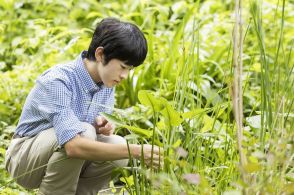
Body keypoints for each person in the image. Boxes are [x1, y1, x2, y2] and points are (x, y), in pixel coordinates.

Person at [5, 18, 162, 195]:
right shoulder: (58, 80)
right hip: (24, 160)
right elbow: (73, 146)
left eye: (130, 70)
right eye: (123, 67)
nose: (125, 75)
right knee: (85, 133)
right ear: (100, 54)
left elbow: (90, 136)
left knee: (116, 143)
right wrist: (135, 151)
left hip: (63, 154)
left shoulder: (106, 83)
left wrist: (101, 128)